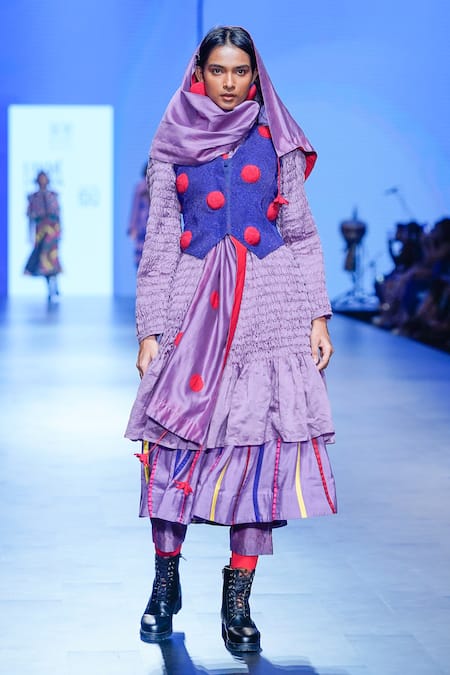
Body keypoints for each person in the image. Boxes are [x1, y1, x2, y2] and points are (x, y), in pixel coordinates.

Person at [125, 26, 336, 653]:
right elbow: (161, 239)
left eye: (240, 71)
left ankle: (237, 599)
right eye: (218, 70)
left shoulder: (277, 140)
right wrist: (149, 328)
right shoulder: (172, 141)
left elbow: (301, 232)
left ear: (255, 76)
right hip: (191, 308)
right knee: (174, 446)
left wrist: (317, 316)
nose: (229, 83)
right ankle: (165, 583)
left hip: (268, 309)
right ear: (199, 73)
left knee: (257, 450)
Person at [24, 171, 62, 302]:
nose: (42, 181)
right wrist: (29, 234)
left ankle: (55, 285)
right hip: (40, 231)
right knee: (43, 260)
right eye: (40, 179)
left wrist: (60, 232)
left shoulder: (53, 195)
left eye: (44, 179)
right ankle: (50, 287)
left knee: (53, 259)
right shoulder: (33, 197)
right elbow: (30, 217)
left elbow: (58, 215)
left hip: (52, 231)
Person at [127, 163, 150, 269]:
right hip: (143, 226)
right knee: (141, 257)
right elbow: (135, 208)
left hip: (147, 226)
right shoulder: (140, 187)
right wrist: (132, 227)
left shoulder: (157, 185)